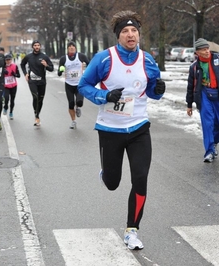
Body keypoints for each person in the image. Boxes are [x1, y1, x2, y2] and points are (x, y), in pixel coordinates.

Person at [78, 10, 165, 250]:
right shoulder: (104, 59)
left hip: (139, 128)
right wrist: (104, 95)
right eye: (125, 31)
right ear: (118, 36)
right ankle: (106, 173)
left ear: (139, 34)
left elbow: (153, 93)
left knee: (140, 178)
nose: (130, 34)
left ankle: (131, 230)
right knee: (113, 183)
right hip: (110, 129)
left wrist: (159, 89)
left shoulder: (147, 60)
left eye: (134, 30)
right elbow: (84, 85)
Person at [186, 38, 219, 163]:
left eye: (207, 48)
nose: (206, 51)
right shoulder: (194, 67)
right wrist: (189, 104)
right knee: (207, 123)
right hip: (204, 96)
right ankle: (209, 151)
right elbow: (190, 86)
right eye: (203, 49)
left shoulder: (218, 59)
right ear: (197, 52)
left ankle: (214, 143)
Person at [20, 40, 54, 126]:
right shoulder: (28, 57)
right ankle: (37, 116)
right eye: (35, 45)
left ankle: (37, 113)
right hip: (32, 81)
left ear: (40, 46)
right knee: (35, 97)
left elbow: (51, 68)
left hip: (42, 81)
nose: (37, 47)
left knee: (40, 99)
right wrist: (25, 73)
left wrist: (46, 65)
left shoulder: (44, 57)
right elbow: (22, 64)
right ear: (33, 47)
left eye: (38, 45)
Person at [58, 41, 90, 129]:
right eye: (70, 46)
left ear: (75, 48)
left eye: (73, 46)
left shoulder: (81, 56)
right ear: (68, 49)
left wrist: (87, 72)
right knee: (71, 103)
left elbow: (90, 65)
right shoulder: (63, 59)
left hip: (80, 84)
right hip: (69, 84)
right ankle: (73, 121)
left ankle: (78, 107)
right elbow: (59, 73)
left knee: (79, 102)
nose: (72, 47)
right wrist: (61, 70)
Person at [3, 53, 20, 119]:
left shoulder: (15, 66)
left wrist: (15, 74)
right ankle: (5, 107)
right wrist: (3, 72)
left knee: (12, 100)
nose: (8, 61)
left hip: (13, 85)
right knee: (6, 98)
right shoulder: (3, 67)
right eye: (7, 60)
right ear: (5, 60)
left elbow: (19, 75)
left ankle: (11, 112)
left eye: (9, 60)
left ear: (11, 60)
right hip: (6, 86)